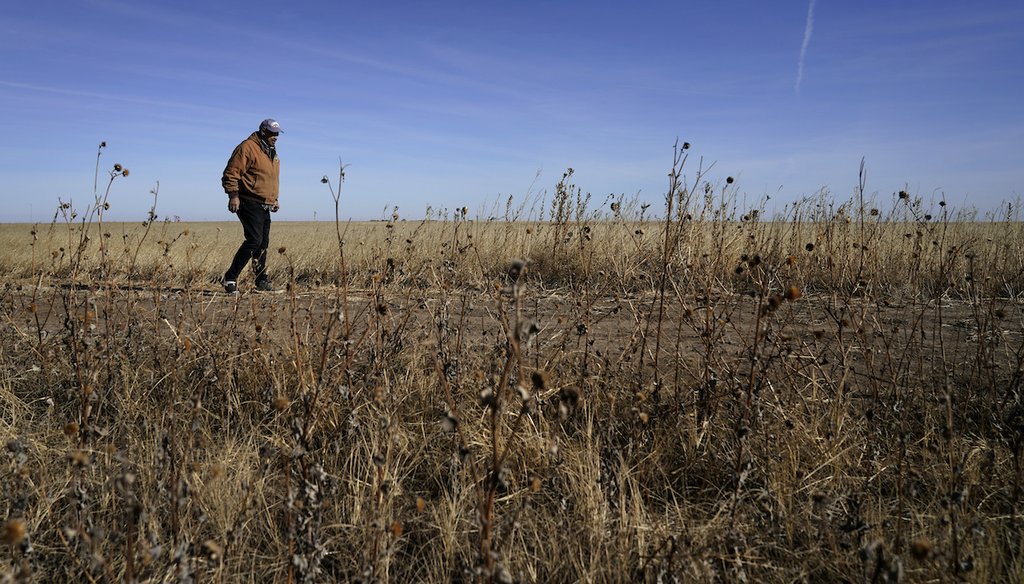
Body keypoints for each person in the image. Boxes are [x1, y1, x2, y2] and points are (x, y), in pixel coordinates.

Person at [221, 118, 282, 293]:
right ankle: (230, 278)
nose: (275, 136)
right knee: (254, 240)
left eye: (277, 133)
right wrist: (233, 195)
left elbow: (270, 179)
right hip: (248, 200)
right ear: (263, 131)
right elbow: (231, 173)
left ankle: (260, 281)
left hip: (265, 203)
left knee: (263, 243)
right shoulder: (247, 147)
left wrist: (274, 198)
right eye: (271, 133)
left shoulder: (271, 152)